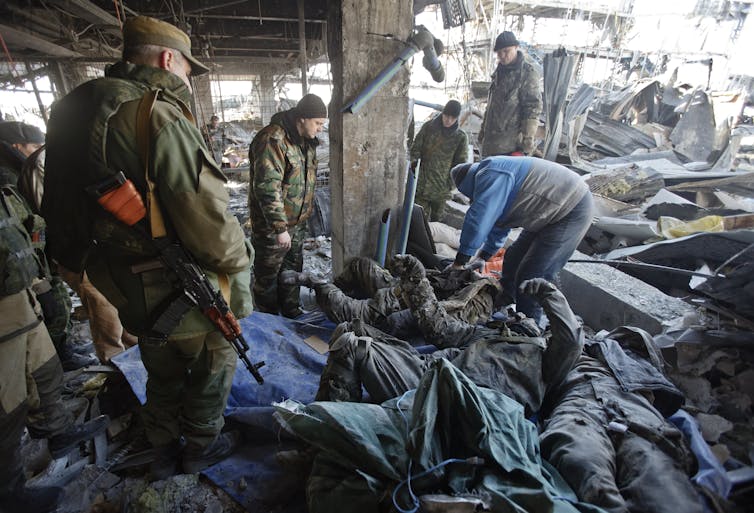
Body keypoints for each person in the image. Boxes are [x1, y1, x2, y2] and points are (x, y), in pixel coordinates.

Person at [42, 16, 253, 478]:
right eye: (185, 70)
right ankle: (200, 444)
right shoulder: (153, 113)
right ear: (166, 58)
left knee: (158, 359)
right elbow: (208, 220)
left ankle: (159, 441)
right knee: (214, 359)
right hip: (176, 279)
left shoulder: (73, 110)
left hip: (117, 278)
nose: (184, 80)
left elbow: (54, 201)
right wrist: (241, 262)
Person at [316, 254, 583, 416]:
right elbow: (440, 329)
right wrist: (417, 280)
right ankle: (328, 422)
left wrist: (549, 295)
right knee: (351, 330)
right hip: (428, 375)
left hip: (456, 401)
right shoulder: (490, 334)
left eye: (524, 319)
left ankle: (325, 431)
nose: (518, 317)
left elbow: (570, 340)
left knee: (352, 345)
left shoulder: (546, 362)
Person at [0, 182, 110, 512]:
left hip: (22, 300)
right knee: (8, 406)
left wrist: (40, 286)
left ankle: (59, 431)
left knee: (46, 373)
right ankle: (9, 492)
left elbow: (18, 240)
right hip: (3, 317)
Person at [539, 327, 705, 513]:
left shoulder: (618, 351)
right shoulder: (542, 355)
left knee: (659, 478)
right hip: (577, 404)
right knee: (580, 460)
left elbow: (643, 343)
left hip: (631, 406)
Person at [17, 141, 138, 364]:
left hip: (94, 245)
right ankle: (116, 364)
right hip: (76, 251)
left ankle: (131, 359)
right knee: (101, 304)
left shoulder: (69, 154)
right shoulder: (43, 162)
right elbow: (46, 214)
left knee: (117, 303)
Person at [449, 156, 593, 326]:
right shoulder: (493, 175)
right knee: (513, 258)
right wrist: (483, 257)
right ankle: (500, 304)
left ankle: (529, 330)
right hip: (548, 212)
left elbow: (479, 217)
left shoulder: (491, 173)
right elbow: (499, 223)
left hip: (571, 208)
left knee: (531, 276)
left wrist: (460, 262)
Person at [0, 121, 97, 371]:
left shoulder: (22, 170)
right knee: (51, 307)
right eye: (33, 145)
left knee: (59, 302)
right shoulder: (9, 177)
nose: (38, 149)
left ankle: (63, 349)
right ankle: (59, 357)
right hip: (28, 259)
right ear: (16, 146)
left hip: (38, 252)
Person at [282, 255, 499, 337]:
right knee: (361, 265)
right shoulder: (469, 274)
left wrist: (403, 313)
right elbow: (434, 274)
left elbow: (440, 323)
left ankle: (315, 282)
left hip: (404, 306)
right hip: (404, 286)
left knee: (351, 311)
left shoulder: (480, 305)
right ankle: (330, 290)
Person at [248, 93, 326, 318]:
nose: (321, 128)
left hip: (297, 224)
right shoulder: (273, 140)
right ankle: (269, 319)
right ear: (302, 118)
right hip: (273, 227)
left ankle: (291, 310)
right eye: (318, 123)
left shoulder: (306, 143)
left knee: (292, 271)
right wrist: (280, 229)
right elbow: (266, 188)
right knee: (268, 275)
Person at [478, 31, 542, 157]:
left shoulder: (526, 74)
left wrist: (527, 143)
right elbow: (491, 107)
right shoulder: (499, 72)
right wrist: (482, 132)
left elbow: (532, 109)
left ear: (516, 48)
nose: (502, 56)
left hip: (509, 147)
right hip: (490, 144)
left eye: (506, 51)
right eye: (499, 52)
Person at [410, 100, 469, 221]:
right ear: (442, 113)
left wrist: (450, 184)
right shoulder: (428, 127)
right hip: (422, 186)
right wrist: (416, 170)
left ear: (457, 118)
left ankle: (432, 240)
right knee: (418, 221)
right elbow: (415, 149)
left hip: (441, 189)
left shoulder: (460, 137)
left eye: (453, 118)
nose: (448, 120)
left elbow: (460, 164)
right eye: (447, 116)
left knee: (437, 222)